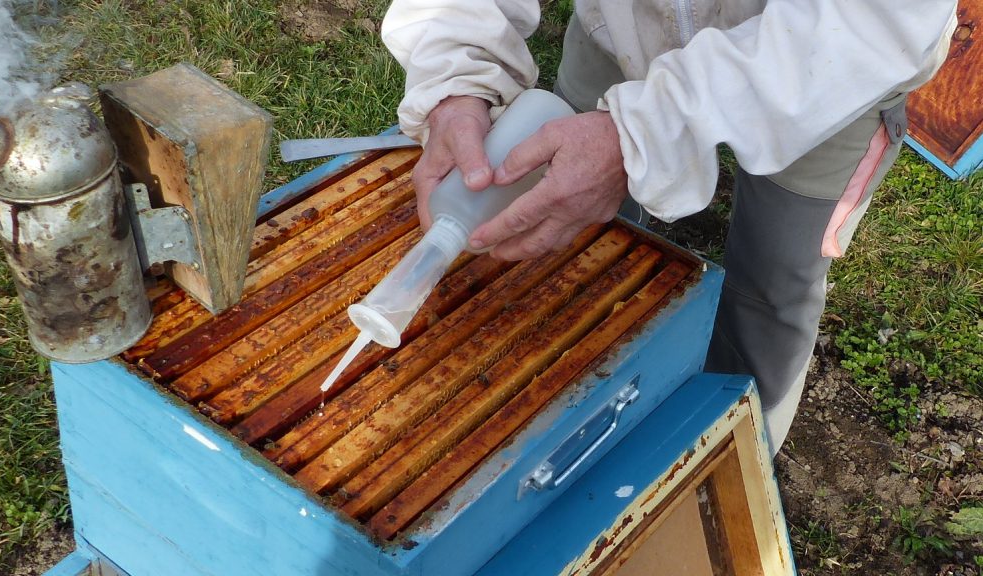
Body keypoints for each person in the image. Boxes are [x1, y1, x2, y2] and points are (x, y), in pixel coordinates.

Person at [379, 0, 958, 454]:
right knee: (570, 242)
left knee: (775, 286)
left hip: (835, 62)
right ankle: (572, 416)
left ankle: (735, 461)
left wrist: (640, 137)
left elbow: (875, 20)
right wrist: (455, 78)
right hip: (622, 23)